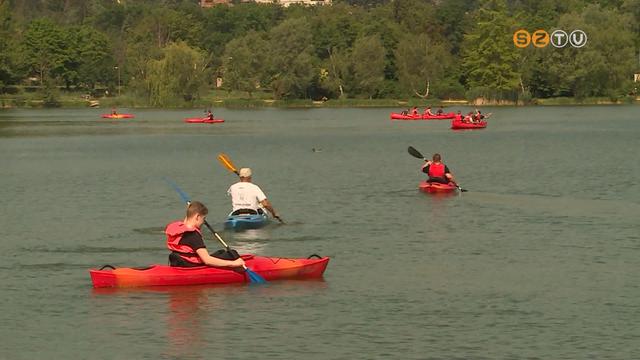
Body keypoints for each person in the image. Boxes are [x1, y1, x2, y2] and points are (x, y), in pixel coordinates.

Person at [165, 201, 246, 268]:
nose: (203, 222)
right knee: (232, 253)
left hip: (179, 261)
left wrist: (191, 209)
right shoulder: (193, 235)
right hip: (191, 264)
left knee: (220, 252)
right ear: (197, 216)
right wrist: (234, 263)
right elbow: (207, 260)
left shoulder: (180, 228)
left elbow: (189, 217)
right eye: (203, 219)